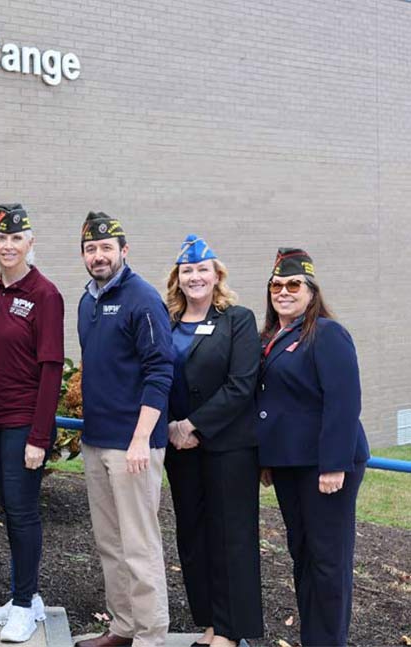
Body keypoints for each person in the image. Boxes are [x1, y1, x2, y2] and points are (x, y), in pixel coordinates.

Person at [257, 248, 370, 647]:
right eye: (276, 285)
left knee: (328, 563)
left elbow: (344, 400)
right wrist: (267, 461)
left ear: (311, 290)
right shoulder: (272, 338)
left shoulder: (326, 332)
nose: (283, 291)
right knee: (303, 556)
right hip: (290, 465)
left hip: (326, 466)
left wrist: (334, 464)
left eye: (293, 285)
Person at [74, 211, 173, 647]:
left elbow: (159, 371)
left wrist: (139, 439)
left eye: (106, 247)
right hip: (97, 442)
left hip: (134, 447)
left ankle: (150, 636)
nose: (99, 255)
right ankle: (122, 628)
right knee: (110, 544)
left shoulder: (142, 298)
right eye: (91, 249)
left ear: (123, 251)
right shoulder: (86, 300)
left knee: (139, 546)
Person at [162, 235, 263, 646]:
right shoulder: (167, 321)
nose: (195, 277)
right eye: (188, 270)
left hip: (227, 448)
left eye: (203, 269)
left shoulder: (237, 319)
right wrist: (170, 425)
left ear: (217, 274)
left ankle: (230, 630)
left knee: (230, 537)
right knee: (193, 535)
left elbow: (242, 385)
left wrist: (193, 426)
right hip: (178, 449)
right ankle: (208, 622)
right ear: (178, 278)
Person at [0, 204, 64, 643]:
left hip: (23, 422)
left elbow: (51, 370)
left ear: (30, 242)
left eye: (16, 238)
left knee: (24, 512)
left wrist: (39, 436)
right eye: (1, 238)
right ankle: (23, 596)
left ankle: (27, 605)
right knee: (10, 512)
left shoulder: (45, 294)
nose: (8, 245)